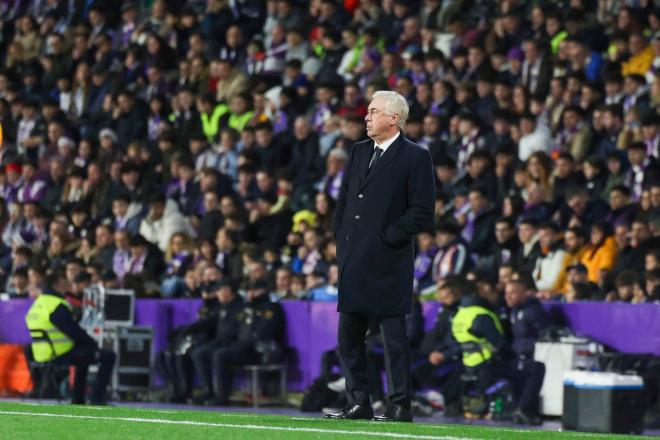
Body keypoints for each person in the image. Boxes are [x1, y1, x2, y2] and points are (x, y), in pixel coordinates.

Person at [326, 90, 435, 423]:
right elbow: (346, 199)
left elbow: (422, 210)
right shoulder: (358, 151)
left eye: (373, 111)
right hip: (354, 259)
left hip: (389, 261)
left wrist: (389, 237)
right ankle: (358, 401)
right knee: (349, 337)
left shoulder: (416, 156)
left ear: (393, 118)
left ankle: (399, 404)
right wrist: (341, 238)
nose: (366, 117)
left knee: (393, 339)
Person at [25, 271, 116, 405]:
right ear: (56, 285)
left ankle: (78, 399)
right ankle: (97, 398)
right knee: (108, 356)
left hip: (40, 354)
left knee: (83, 355)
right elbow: (74, 331)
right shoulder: (56, 305)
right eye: (64, 284)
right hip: (60, 353)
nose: (67, 287)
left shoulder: (38, 303)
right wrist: (93, 343)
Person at [190, 279, 244, 405]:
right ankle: (207, 390)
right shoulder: (221, 307)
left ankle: (222, 394)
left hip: (235, 344)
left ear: (228, 291)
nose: (217, 294)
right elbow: (209, 322)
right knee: (199, 353)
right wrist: (188, 329)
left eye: (219, 291)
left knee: (219, 355)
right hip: (220, 341)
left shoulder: (240, 307)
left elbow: (238, 332)